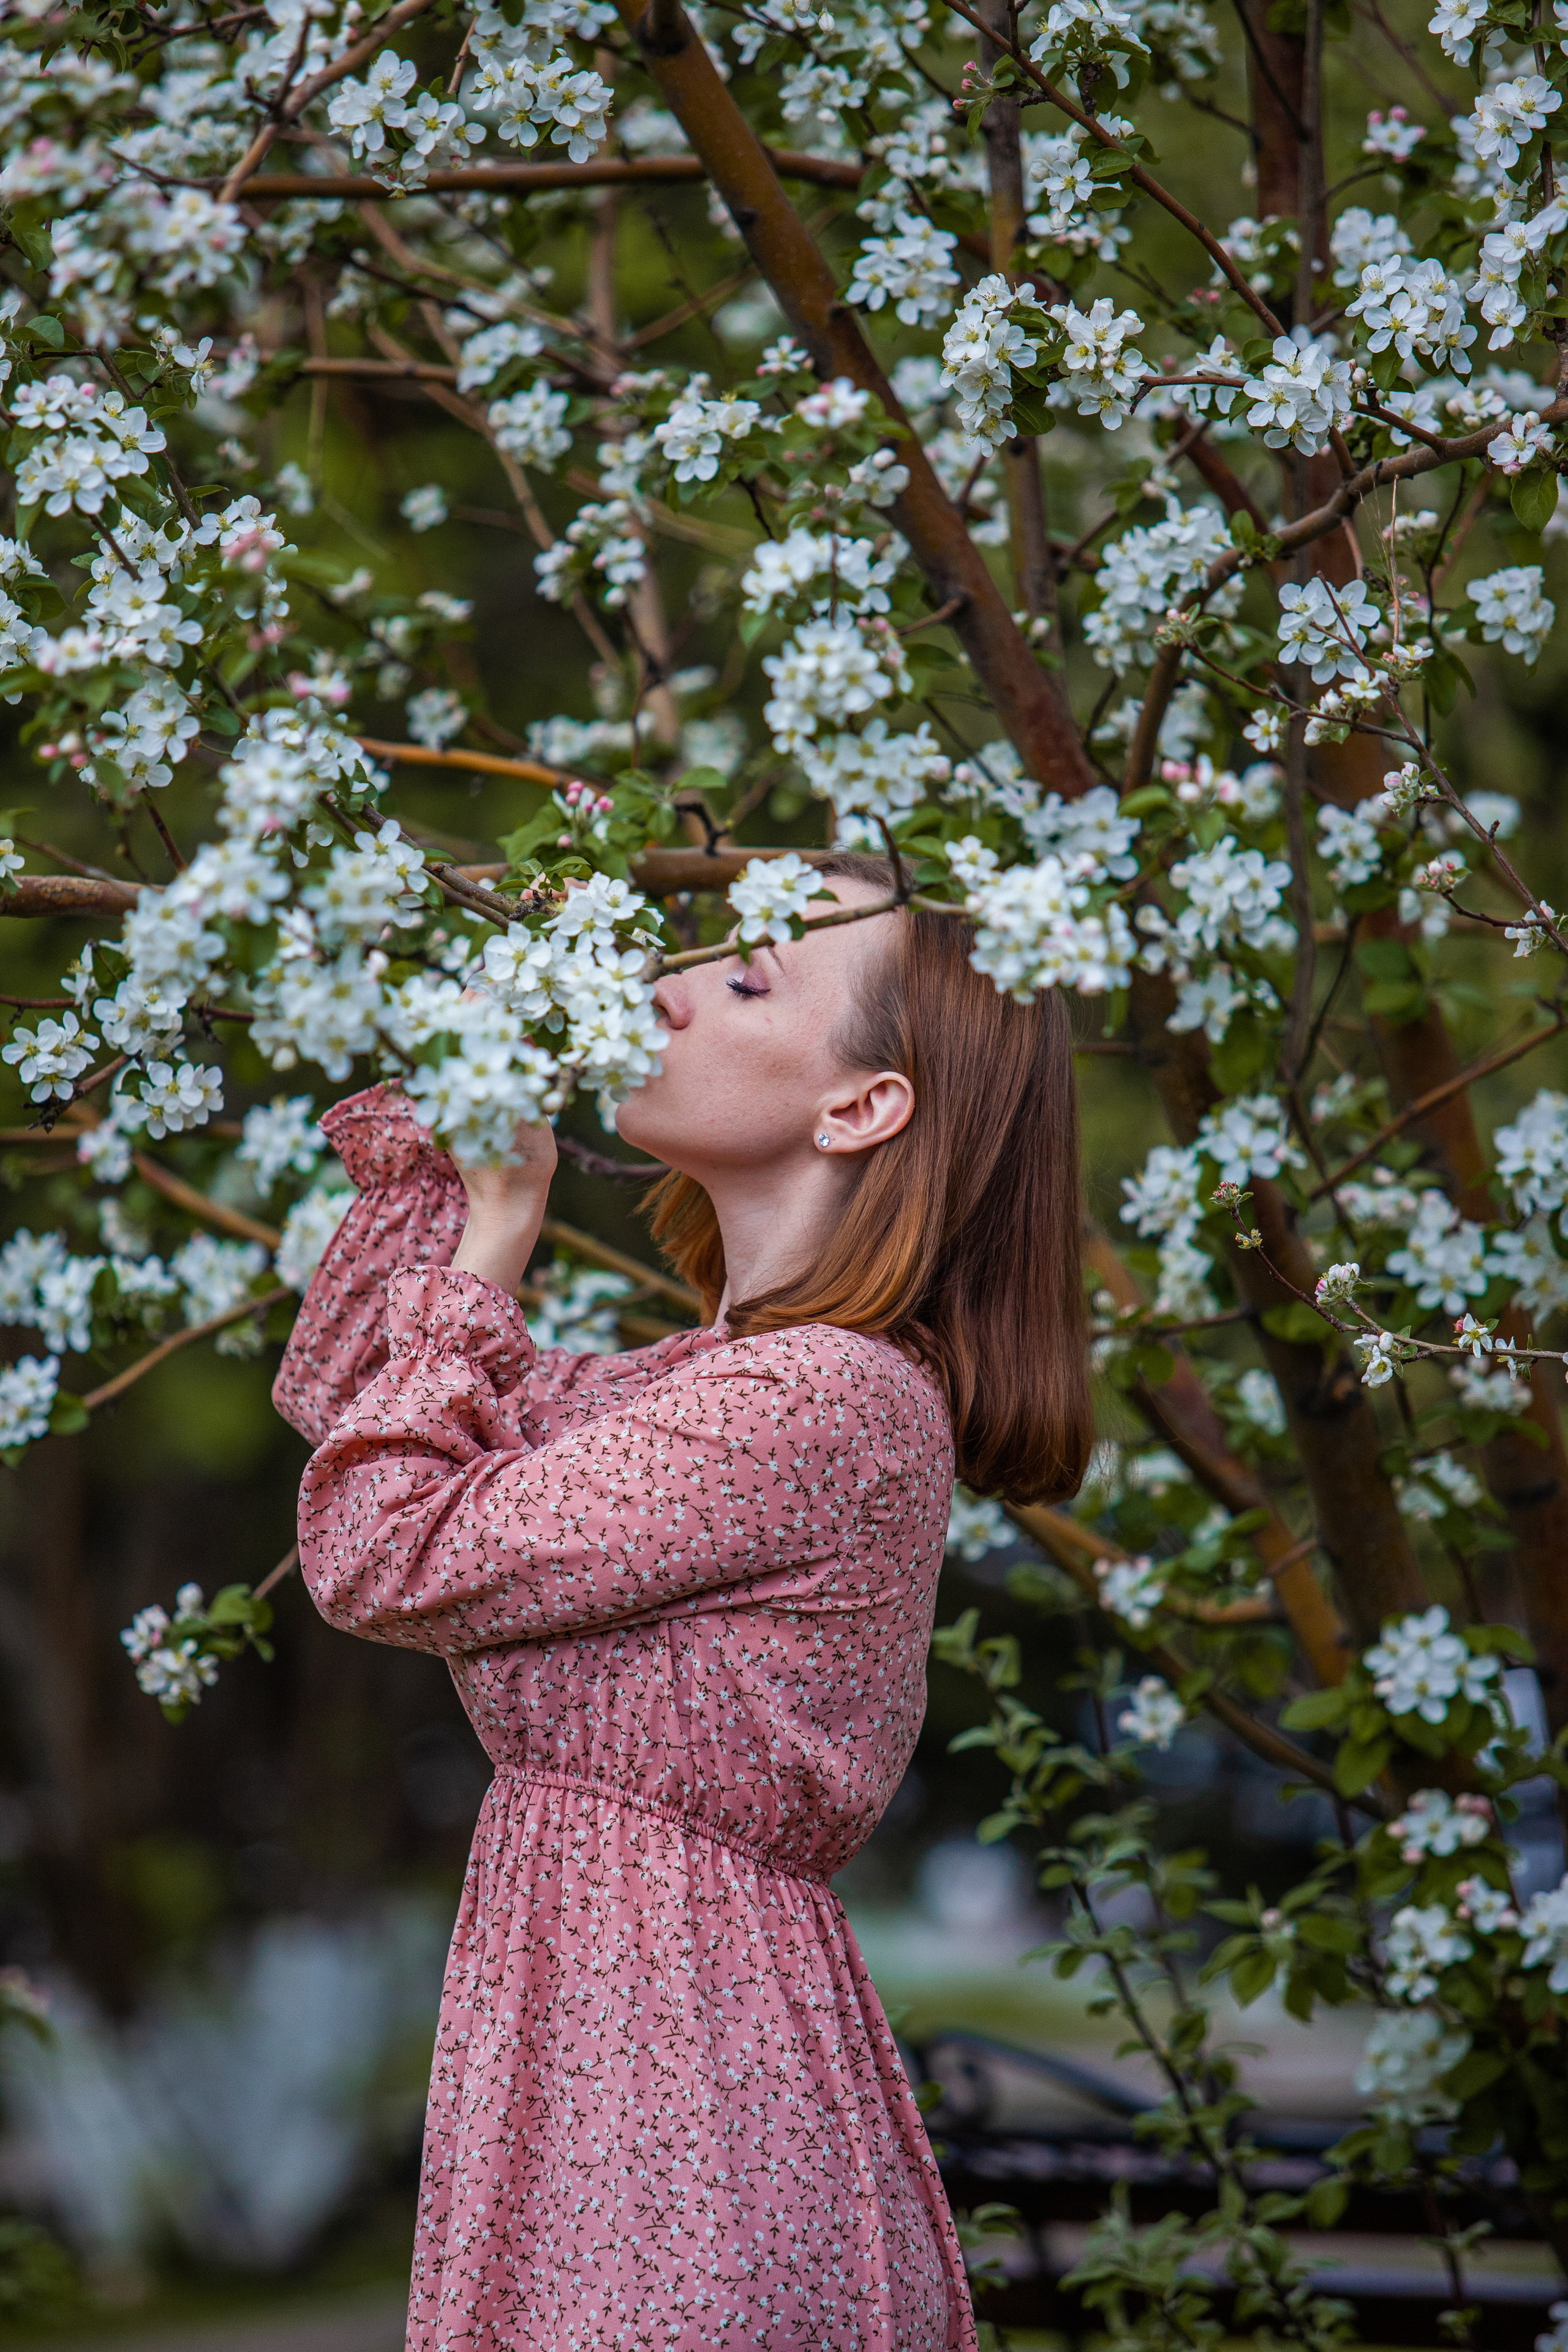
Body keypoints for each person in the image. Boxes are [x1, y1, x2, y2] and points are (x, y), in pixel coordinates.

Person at [273, 850, 1091, 2352]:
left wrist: (504, 1231)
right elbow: (354, 1406)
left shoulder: (824, 1401)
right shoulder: (692, 1392)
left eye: (747, 977)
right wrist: (459, 1161)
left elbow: (382, 1550)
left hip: (673, 2071)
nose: (666, 988)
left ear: (861, 1106)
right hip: (611, 2027)